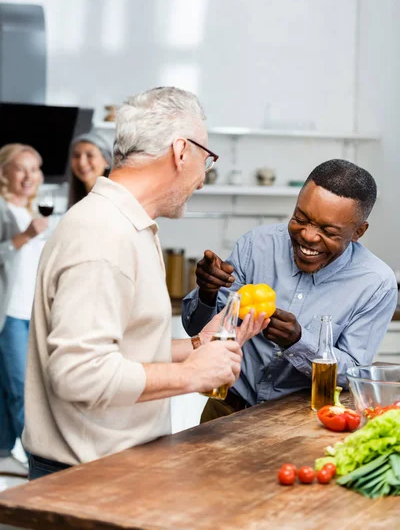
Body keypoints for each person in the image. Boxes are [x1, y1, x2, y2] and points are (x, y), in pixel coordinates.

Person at [23, 87, 268, 480]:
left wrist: (194, 347)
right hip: (84, 478)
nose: (202, 179)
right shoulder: (103, 234)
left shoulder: (129, 225)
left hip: (110, 468)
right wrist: (192, 375)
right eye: (207, 158)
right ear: (181, 152)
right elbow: (79, 373)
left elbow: (119, 344)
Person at [182, 159, 398, 422]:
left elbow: (352, 371)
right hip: (225, 411)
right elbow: (198, 333)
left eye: (328, 231)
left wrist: (298, 341)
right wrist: (207, 293)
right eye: (300, 218)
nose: (308, 235)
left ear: (358, 232)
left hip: (303, 421)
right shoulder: (256, 245)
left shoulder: (376, 283)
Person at [0, 144, 48, 477]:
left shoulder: (33, 213)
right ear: (4, 172)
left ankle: (3, 452)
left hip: (33, 313)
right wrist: (26, 236)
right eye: (20, 168)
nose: (28, 176)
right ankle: (42, 465)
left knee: (9, 387)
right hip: (10, 314)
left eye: (34, 168)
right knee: (23, 390)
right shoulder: (3, 210)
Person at [67, 129, 114, 208]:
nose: (82, 163)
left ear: (106, 161)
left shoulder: (112, 199)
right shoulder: (76, 197)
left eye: (90, 155)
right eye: (76, 155)